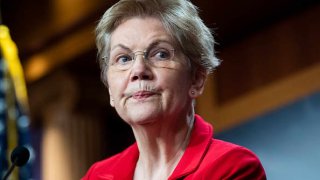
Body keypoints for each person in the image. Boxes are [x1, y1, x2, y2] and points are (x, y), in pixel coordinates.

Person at [83, 0, 266, 179]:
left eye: (160, 54)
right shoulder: (97, 175)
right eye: (123, 58)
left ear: (196, 79)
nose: (138, 70)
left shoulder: (234, 167)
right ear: (110, 90)